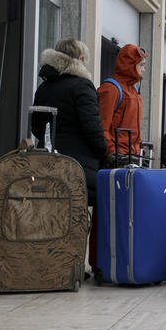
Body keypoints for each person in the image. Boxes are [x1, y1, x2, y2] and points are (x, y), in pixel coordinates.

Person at [32, 38, 107, 205]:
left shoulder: (43, 88)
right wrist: (103, 152)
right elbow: (92, 129)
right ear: (80, 59)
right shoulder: (82, 86)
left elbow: (36, 127)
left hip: (45, 162)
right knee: (75, 218)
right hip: (77, 167)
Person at [97, 43, 146, 165]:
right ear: (130, 65)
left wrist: (141, 149)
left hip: (133, 156)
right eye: (141, 65)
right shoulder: (110, 89)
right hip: (117, 158)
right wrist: (112, 151)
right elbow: (101, 126)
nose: (143, 69)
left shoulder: (133, 91)